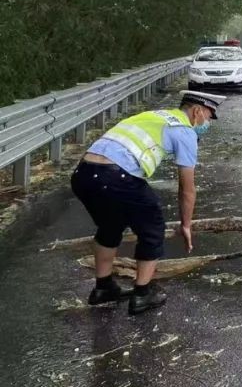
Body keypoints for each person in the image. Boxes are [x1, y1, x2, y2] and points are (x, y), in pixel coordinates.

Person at [70, 90, 225, 315]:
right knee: (153, 227)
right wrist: (186, 225)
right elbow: (187, 188)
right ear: (197, 111)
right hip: (116, 176)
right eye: (209, 117)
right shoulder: (184, 131)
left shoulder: (154, 115)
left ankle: (103, 288)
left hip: (83, 174)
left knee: (110, 225)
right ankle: (143, 293)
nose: (207, 123)